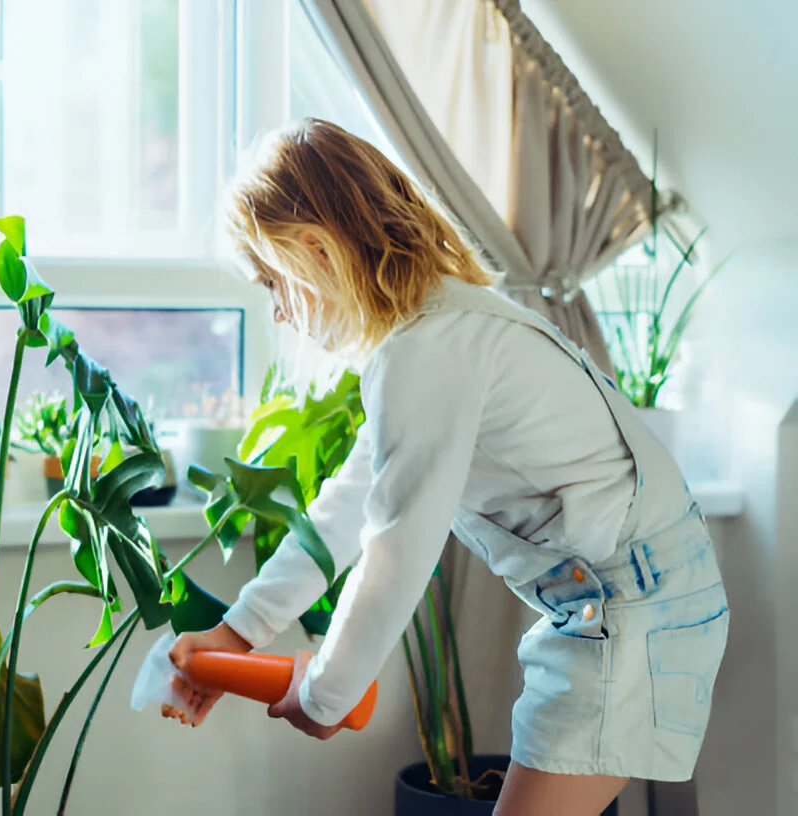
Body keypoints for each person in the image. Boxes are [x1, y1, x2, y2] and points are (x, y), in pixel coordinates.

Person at [166, 118, 729, 816]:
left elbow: (395, 549)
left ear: (314, 251)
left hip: (630, 613)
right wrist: (240, 630)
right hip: (631, 601)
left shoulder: (427, 351)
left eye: (271, 281)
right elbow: (350, 503)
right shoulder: (432, 329)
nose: (278, 310)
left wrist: (326, 694)